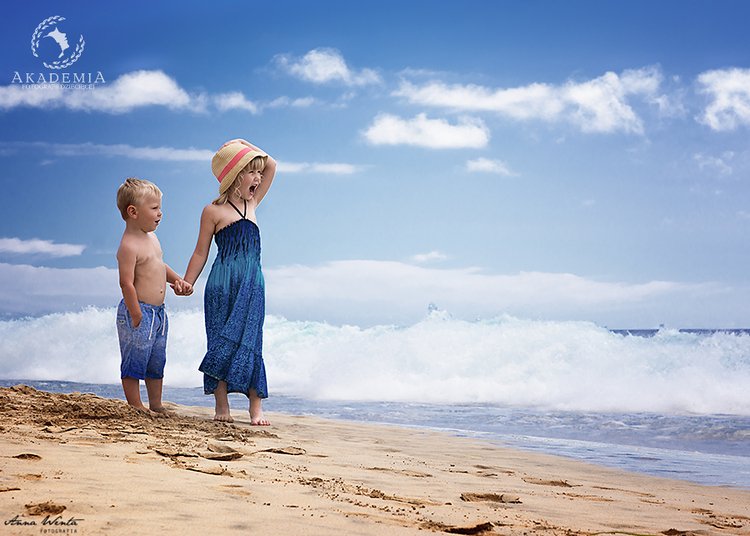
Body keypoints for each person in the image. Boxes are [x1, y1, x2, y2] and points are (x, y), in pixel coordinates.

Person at [183, 139, 277, 425]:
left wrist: (242, 145)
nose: (259, 177)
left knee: (251, 340)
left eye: (258, 173)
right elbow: (200, 251)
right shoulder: (212, 211)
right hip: (222, 285)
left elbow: (272, 164)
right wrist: (188, 282)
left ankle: (255, 408)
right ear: (235, 176)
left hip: (252, 284)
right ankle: (221, 405)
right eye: (252, 172)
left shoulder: (253, 202)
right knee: (220, 340)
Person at [115, 178, 192, 414]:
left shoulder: (153, 239)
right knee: (135, 359)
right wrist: (136, 314)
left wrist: (178, 280)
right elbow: (126, 283)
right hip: (139, 311)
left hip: (159, 313)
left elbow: (159, 266)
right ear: (133, 212)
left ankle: (156, 404)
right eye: (155, 208)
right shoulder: (128, 246)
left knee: (156, 359)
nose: (160, 213)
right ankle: (136, 405)